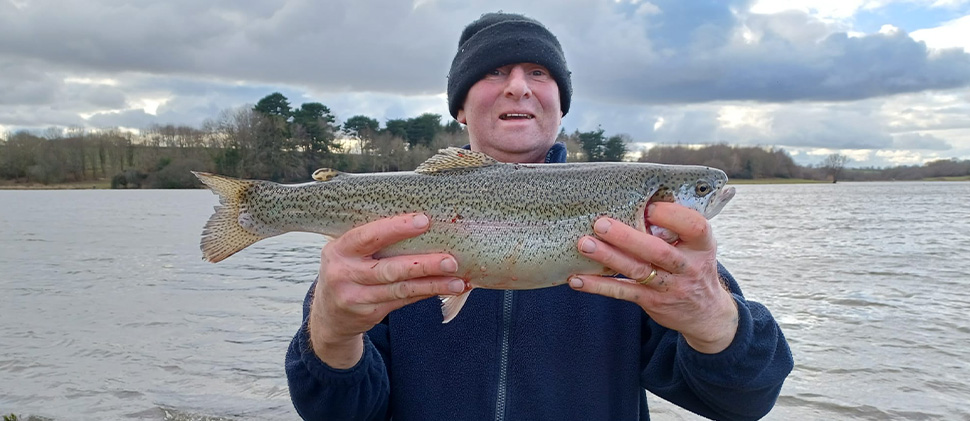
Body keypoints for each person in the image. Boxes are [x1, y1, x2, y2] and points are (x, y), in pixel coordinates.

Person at [285, 12, 793, 420]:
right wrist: (331, 334)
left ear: (560, 104)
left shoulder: (658, 259)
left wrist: (714, 318)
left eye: (539, 72)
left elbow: (744, 403)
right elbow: (334, 411)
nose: (518, 87)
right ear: (459, 110)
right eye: (493, 72)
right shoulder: (383, 227)